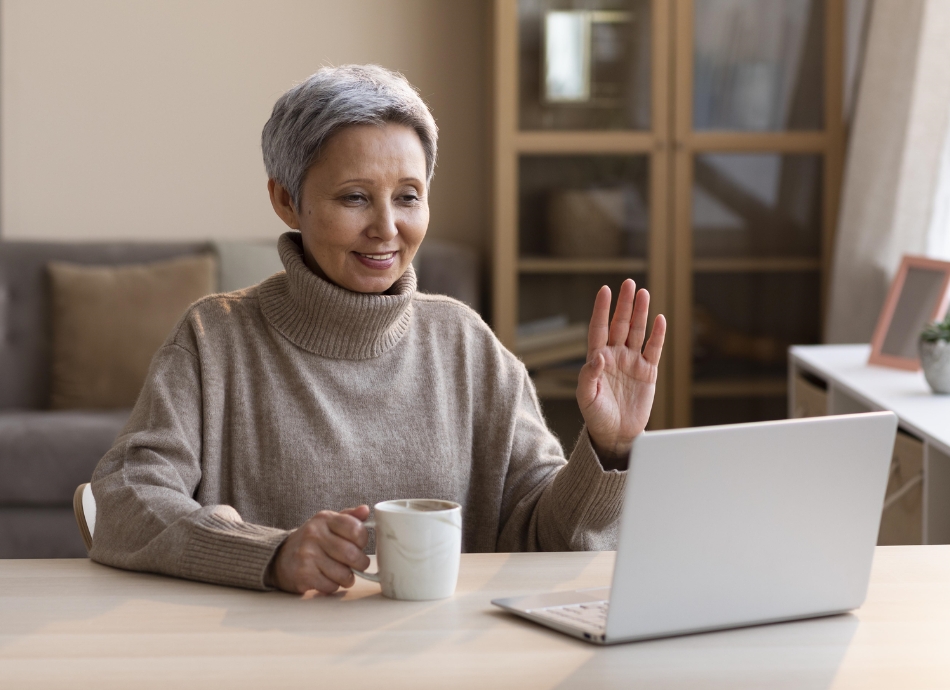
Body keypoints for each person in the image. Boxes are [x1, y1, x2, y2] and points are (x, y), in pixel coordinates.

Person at [90, 64, 666, 595]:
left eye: (408, 197)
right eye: (355, 198)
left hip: (445, 659)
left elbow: (547, 539)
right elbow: (125, 497)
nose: (387, 228)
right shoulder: (214, 339)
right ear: (286, 200)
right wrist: (270, 555)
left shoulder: (465, 344)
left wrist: (609, 449)